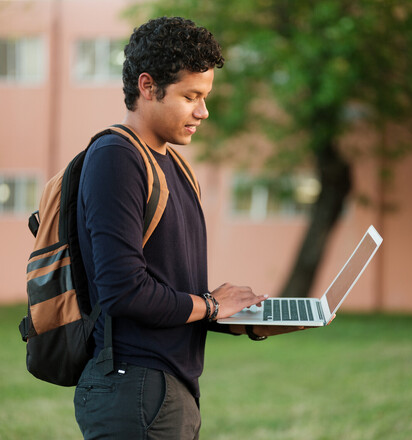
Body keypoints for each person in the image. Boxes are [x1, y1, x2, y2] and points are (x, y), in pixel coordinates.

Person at [73, 16, 307, 440]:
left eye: (206, 96)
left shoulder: (176, 166)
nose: (204, 111)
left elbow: (170, 291)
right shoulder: (117, 158)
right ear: (147, 86)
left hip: (169, 390)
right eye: (191, 96)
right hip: (135, 388)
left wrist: (241, 320)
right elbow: (123, 290)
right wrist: (212, 306)